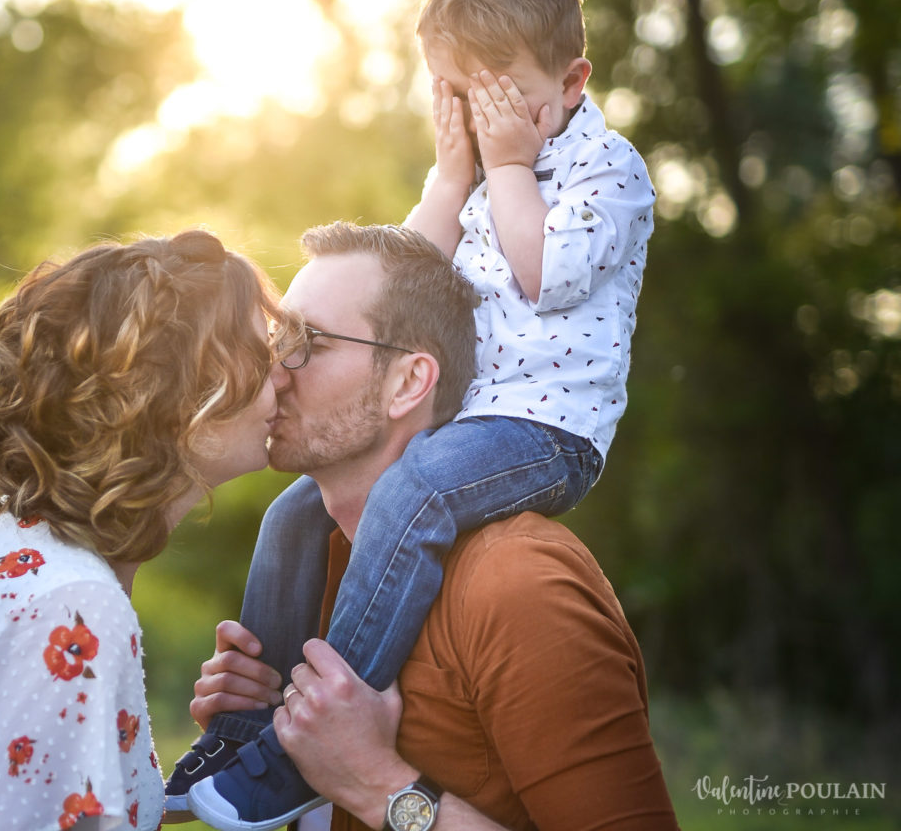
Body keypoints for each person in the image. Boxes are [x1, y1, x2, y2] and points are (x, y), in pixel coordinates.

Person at [172, 0, 656, 827]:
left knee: (416, 490)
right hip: (476, 422)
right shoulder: (480, 177)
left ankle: (293, 752)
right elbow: (410, 282)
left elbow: (546, 276)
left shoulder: (606, 171)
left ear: (573, 79)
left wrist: (504, 167)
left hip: (547, 431)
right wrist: (451, 175)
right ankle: (250, 734)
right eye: (456, 93)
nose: (483, 115)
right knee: (291, 515)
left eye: (502, 89)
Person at [187, 221, 678, 830]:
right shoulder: (316, 563)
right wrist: (260, 726)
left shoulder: (518, 586)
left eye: (310, 341)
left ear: (409, 382)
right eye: (279, 337)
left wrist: (380, 786)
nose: (277, 370)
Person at [0, 230, 301, 831]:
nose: (284, 377)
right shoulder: (70, 608)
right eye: (262, 355)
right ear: (171, 394)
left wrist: (195, 763)